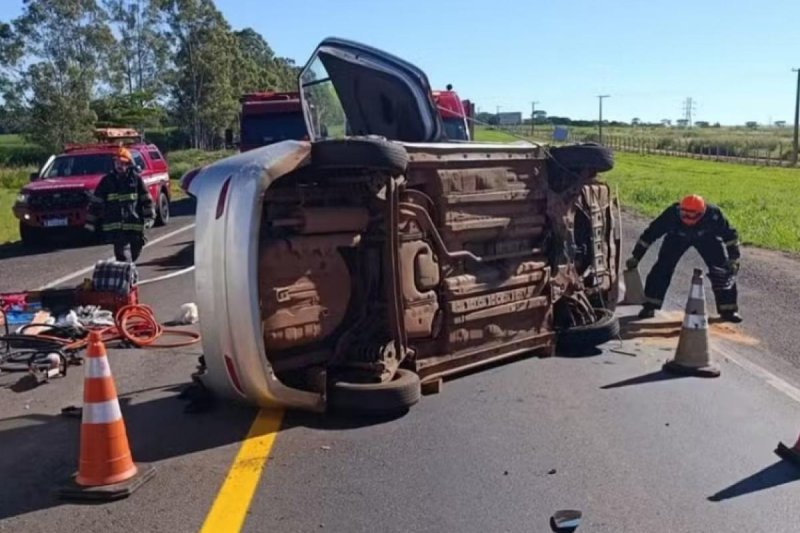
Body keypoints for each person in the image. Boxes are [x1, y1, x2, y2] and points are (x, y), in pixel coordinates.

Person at [626, 194, 742, 323]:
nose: (688, 218)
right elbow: (649, 235)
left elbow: (730, 236)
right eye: (684, 214)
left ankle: (729, 310)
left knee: (723, 270)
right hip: (677, 238)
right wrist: (636, 256)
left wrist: (733, 258)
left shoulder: (713, 215)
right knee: (662, 268)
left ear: (702, 213)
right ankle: (650, 306)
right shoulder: (671, 214)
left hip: (706, 238)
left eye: (692, 215)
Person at [85, 147, 155, 262]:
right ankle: (126, 276)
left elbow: (146, 200)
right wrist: (90, 222)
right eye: (117, 162)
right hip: (116, 227)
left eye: (123, 163)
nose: (120, 165)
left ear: (129, 164)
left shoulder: (136, 180)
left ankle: (129, 272)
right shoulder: (107, 181)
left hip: (134, 225)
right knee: (122, 256)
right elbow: (96, 202)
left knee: (135, 253)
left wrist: (149, 217)